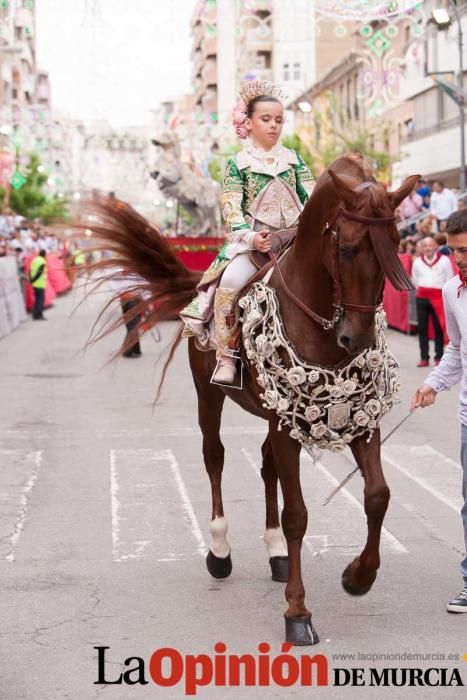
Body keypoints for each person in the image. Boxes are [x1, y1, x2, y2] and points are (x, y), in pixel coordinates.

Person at [180, 80, 315, 385]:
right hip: (255, 245)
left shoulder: (294, 160)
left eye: (279, 120)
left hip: (296, 240)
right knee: (229, 282)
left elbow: (313, 196)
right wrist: (251, 237)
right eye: (266, 119)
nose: (273, 126)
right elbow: (230, 207)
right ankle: (226, 356)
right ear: (249, 122)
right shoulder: (237, 164)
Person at [411, 209, 467, 613]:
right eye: (453, 249)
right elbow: (456, 350)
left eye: (463, 250)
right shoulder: (451, 290)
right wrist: (434, 383)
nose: (458, 257)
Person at [412, 236, 454, 367]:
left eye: (430, 245)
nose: (428, 248)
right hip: (422, 296)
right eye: (425, 246)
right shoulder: (418, 261)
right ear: (422, 248)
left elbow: (450, 277)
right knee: (422, 328)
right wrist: (422, 288)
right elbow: (414, 279)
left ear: (435, 246)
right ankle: (424, 357)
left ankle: (439, 357)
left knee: (438, 328)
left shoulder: (445, 261)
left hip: (438, 296)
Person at [29, 248, 47, 320]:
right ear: (44, 254)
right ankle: (39, 315)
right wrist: (33, 280)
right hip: (40, 284)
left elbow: (30, 270)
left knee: (37, 300)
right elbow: (39, 273)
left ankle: (35, 315)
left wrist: (31, 280)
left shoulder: (35, 260)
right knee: (40, 300)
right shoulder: (42, 261)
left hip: (35, 284)